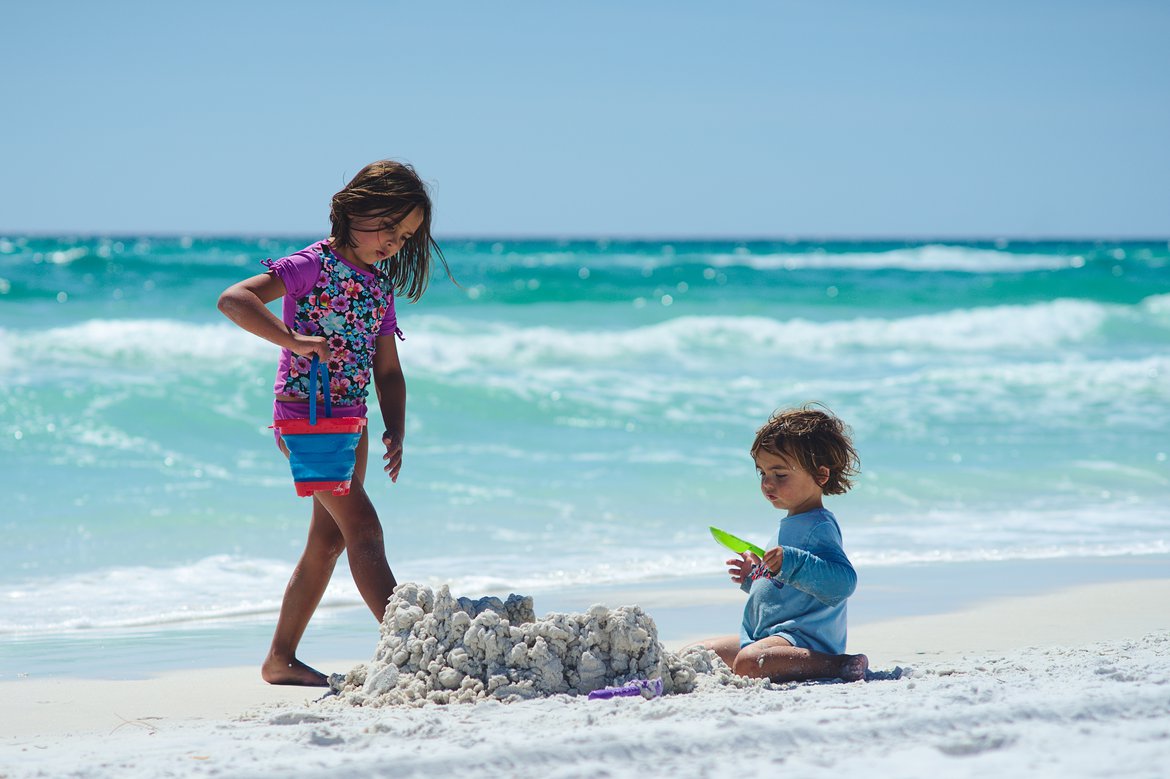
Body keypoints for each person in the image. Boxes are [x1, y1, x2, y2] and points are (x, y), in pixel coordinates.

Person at [217, 159, 447, 686]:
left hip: (352, 420)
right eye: (388, 226)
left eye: (405, 235)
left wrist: (397, 427)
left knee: (329, 541)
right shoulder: (311, 265)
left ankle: (280, 659)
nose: (394, 241)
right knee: (364, 528)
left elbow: (388, 370)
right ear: (357, 208)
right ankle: (410, 648)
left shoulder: (378, 286)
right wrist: (293, 340)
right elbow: (235, 299)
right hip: (306, 416)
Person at [690, 404, 869, 683]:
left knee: (748, 663)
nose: (767, 483)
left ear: (821, 475)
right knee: (697, 654)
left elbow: (843, 584)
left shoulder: (819, 526)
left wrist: (792, 562)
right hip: (766, 636)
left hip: (805, 640)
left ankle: (840, 665)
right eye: (762, 473)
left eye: (780, 474)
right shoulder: (789, 525)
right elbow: (787, 589)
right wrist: (755, 577)